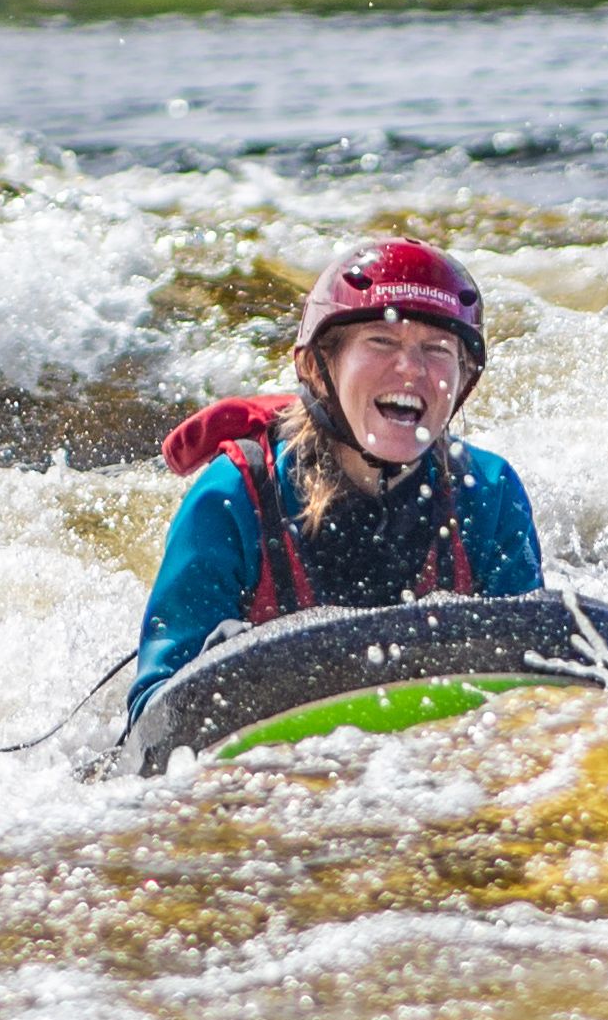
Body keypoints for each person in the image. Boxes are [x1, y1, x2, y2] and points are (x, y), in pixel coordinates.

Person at [133, 238, 544, 716]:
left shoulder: (489, 494)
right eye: (381, 341)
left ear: (463, 379)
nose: (411, 369)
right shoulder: (233, 497)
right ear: (317, 365)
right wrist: (228, 677)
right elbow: (152, 710)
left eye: (437, 349)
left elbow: (534, 689)